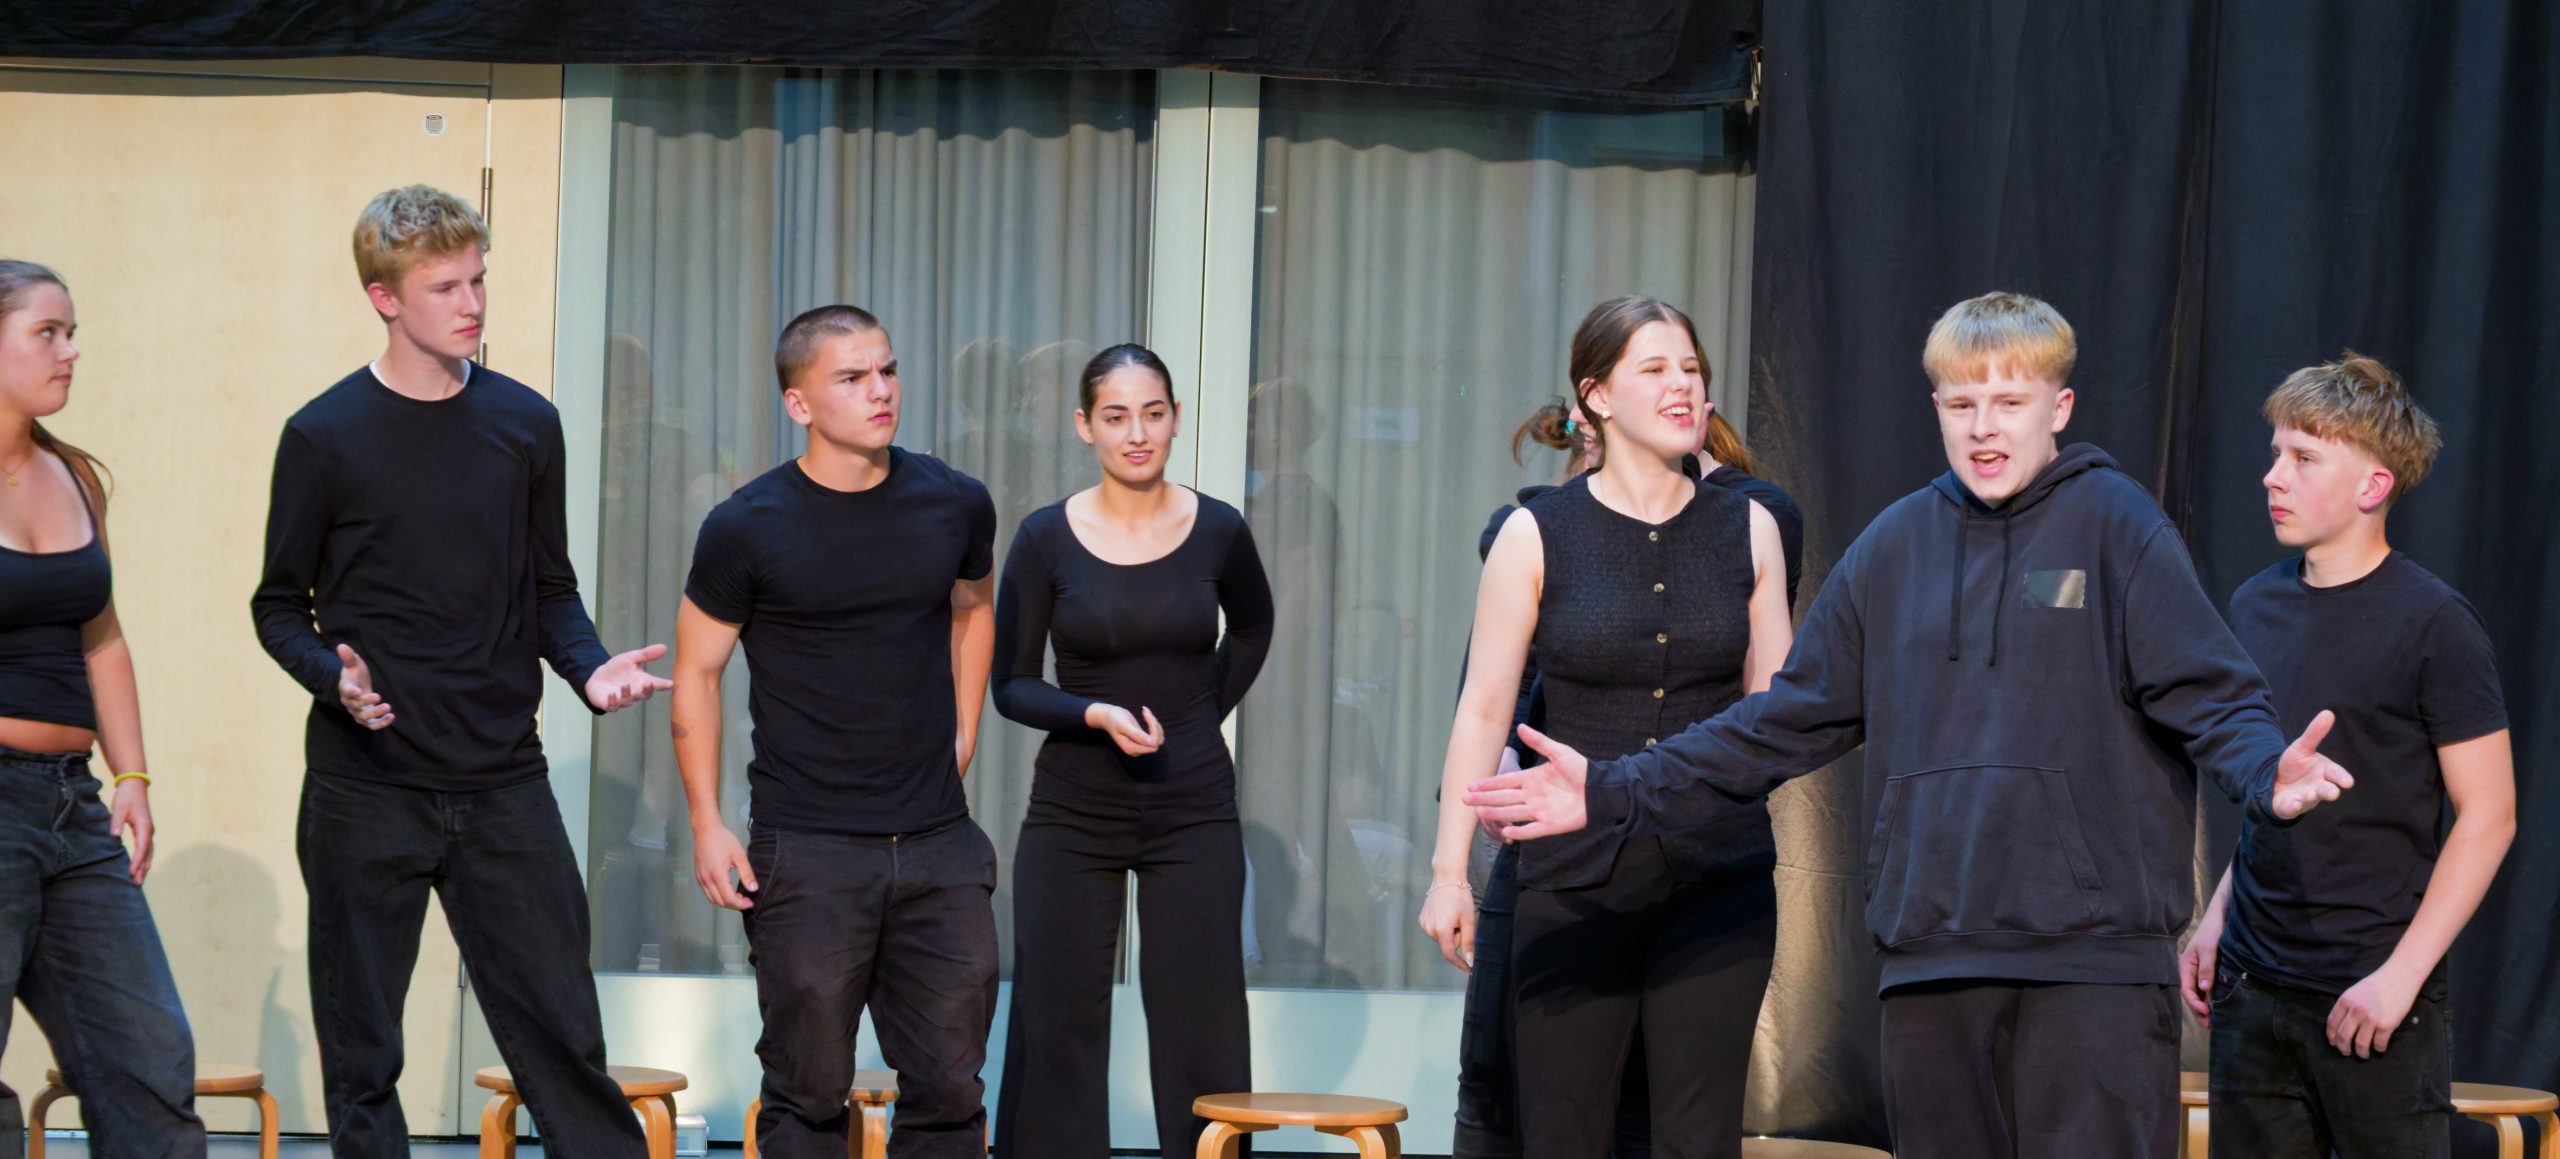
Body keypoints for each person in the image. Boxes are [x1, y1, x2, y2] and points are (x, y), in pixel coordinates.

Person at [1466, 291, 2359, 1159]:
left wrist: (2265, 770)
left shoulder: (2118, 527)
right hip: (1931, 964)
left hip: (2091, 969)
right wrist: (1613, 787)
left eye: (2010, 404)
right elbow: (1776, 722)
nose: (1984, 429)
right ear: (1936, 408)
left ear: (2059, 408)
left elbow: (2212, 692)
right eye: (1962, 405)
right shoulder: (1894, 547)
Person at [250, 186, 671, 1157]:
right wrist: (329, 676)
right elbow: (277, 605)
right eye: (445, 287)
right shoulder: (324, 435)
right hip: (367, 787)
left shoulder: (525, 423)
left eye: (477, 279)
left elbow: (550, 588)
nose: (472, 303)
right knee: (363, 1059)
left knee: (564, 1041)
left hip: (501, 781)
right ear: (384, 298)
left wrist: (587, 670)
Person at [1425, 297, 1794, 1159]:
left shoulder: (1751, 527)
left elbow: (1776, 712)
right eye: (1655, 368)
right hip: (1575, 881)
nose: (1681, 385)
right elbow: (1484, 707)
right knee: (1564, 1135)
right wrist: (1448, 872)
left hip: (1717, 880)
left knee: (1698, 1140)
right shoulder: (1536, 533)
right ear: (1596, 395)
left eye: (1691, 368)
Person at [673, 304, 1001, 1158]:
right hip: (807, 846)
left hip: (937, 841)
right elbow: (698, 672)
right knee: (808, 1090)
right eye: (852, 378)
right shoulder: (747, 525)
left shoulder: (955, 502)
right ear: (800, 404)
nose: (880, 390)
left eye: (887, 370)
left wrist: (965, 730)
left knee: (951, 1089)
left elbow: (973, 609)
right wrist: (707, 821)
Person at [2181, 353, 2512, 1158]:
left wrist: (2400, 978)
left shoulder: (2435, 623)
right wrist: (2218, 912)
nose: (2273, 476)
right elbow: (2275, 782)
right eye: (2275, 453)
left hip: (2372, 993)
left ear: (2372, 486)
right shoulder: (2255, 604)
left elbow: (2490, 814)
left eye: (2303, 457)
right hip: (2254, 986)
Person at [989, 343, 1275, 1159]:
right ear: (1086, 426)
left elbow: (1253, 628)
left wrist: (1198, 714)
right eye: (1116, 417)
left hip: (1192, 805)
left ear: (1176, 418)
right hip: (1074, 807)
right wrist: (1094, 712)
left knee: (1202, 1019)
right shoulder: (1046, 537)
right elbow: (1012, 684)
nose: (1137, 433)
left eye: (1153, 413)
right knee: (1057, 1017)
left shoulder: (1218, 529)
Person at [0, 260, 206, 1157]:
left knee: (146, 1054)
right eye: (47, 332)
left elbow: (103, 639)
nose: (70, 351)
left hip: (70, 805)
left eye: (72, 333)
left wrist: (132, 775)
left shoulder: (75, 475)